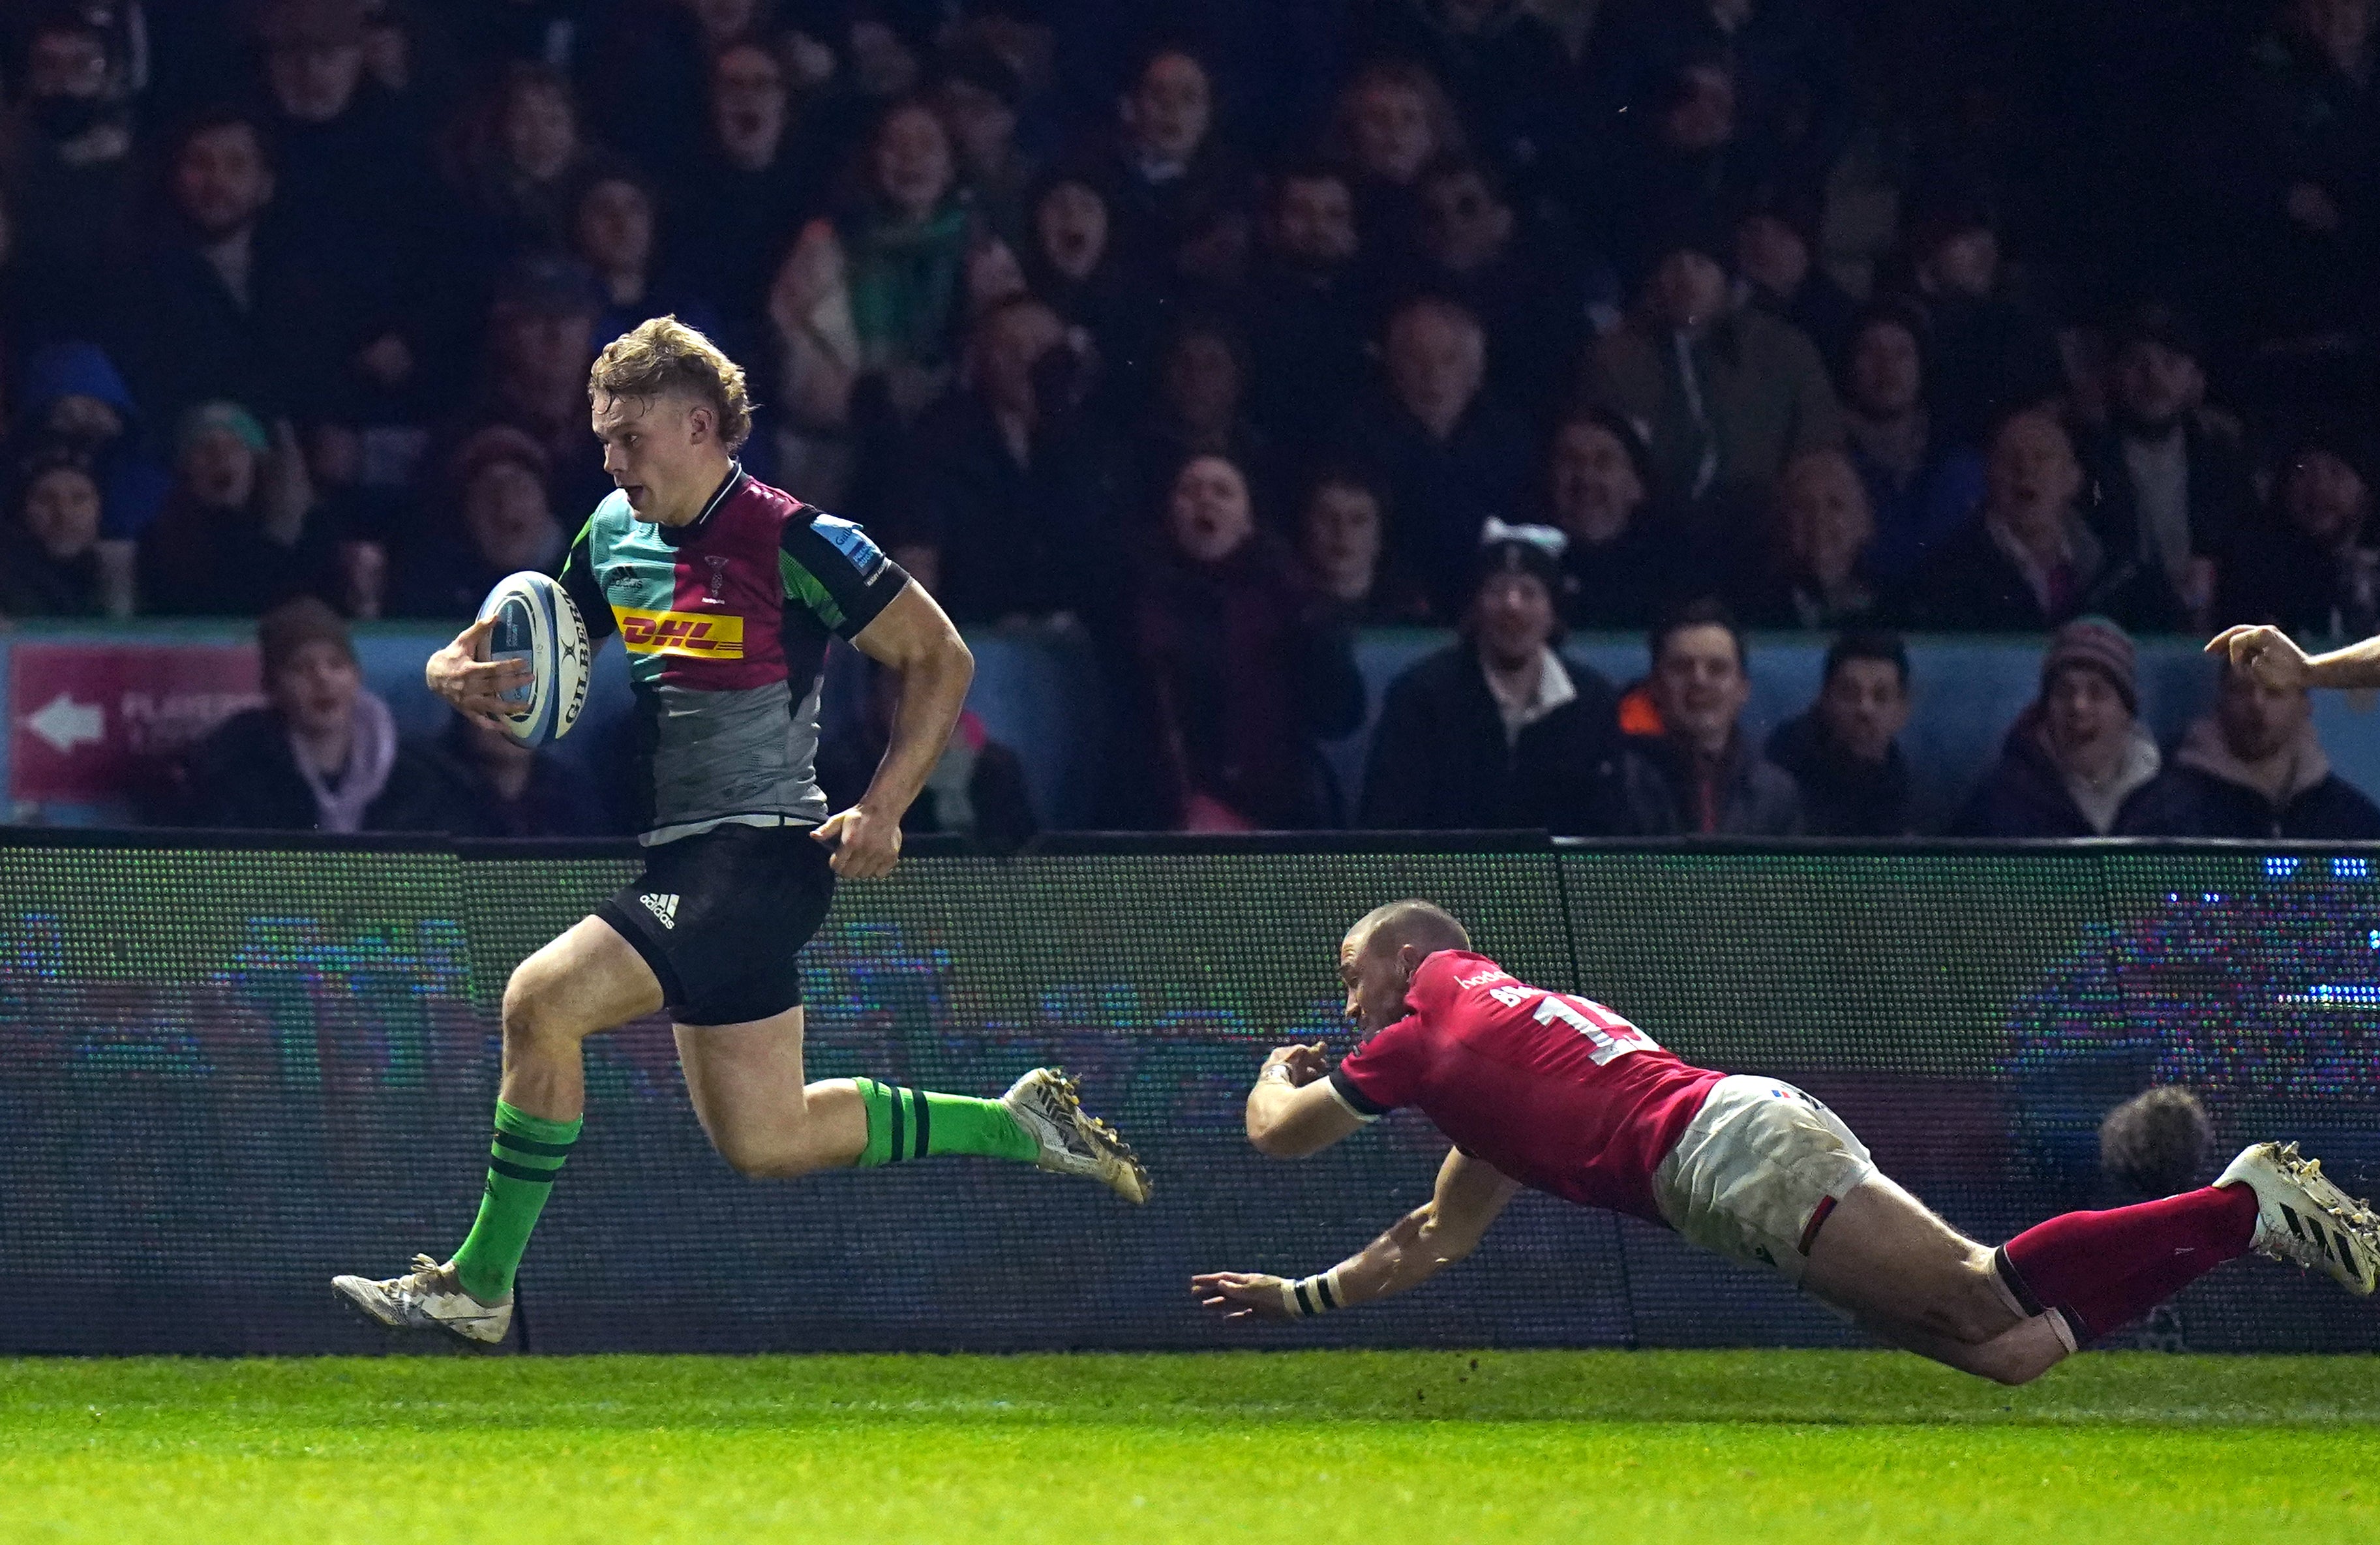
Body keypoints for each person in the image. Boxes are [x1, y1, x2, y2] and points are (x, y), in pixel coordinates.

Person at [332, 317, 1148, 1345]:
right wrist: (455, 671)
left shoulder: (797, 536)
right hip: (686, 856)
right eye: (603, 440)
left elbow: (940, 657)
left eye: (630, 437)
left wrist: (887, 805)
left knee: (540, 1000)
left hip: (763, 854)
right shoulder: (610, 533)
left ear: (703, 425)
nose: (612, 460)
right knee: (768, 1138)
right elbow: (537, 630)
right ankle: (1012, 1121)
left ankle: (477, 1284)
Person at [1192, 899, 2380, 1382]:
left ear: (1406, 957)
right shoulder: (1490, 1052)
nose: (1345, 1004)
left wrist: (1268, 1067)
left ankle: (2241, 1205)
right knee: (2005, 1350)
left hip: (1726, 1153)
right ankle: (2239, 1222)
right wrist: (1299, 1300)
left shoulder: (1426, 1023)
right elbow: (1435, 1232)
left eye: (1349, 977)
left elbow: (1279, 1134)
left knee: (1975, 1288)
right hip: (1731, 1145)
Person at [1126, 453, 1365, 830]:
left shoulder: (1290, 595)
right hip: (1171, 818)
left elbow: (1341, 715)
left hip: (1281, 815)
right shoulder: (1139, 599)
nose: (1206, 501)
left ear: (1248, 521)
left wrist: (1306, 620)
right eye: (1190, 491)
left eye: (1222, 492)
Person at [1360, 524, 1621, 835]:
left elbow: (1608, 827)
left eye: (1529, 592)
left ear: (1554, 612)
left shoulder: (1592, 700)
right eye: (1497, 591)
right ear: (1475, 608)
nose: (1512, 607)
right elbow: (1388, 822)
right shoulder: (1422, 696)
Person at [1584, 224, 1843, 524]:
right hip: (1646, 526)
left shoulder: (1781, 352)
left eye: (1701, 265)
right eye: (1673, 266)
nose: (1687, 278)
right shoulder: (1616, 357)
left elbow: (1819, 447)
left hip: (1763, 529)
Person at [1334, 293, 1535, 617]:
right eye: (1417, 359)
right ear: (1392, 366)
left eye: (1450, 359)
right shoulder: (1357, 440)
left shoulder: (1511, 441)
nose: (1433, 375)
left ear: (1476, 370)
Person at [1900, 408, 2177, 633]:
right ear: (1988, 477)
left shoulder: (2122, 570)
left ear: (2073, 479)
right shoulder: (1946, 579)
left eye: (2042, 458)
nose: (2026, 470)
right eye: (2010, 459)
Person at [2081, 307, 2255, 635]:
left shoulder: (2222, 465)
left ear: (2195, 379)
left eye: (2171, 363)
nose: (2154, 379)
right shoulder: (2087, 461)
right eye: (2137, 363)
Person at [1952, 618, 2195, 837]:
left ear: (2126, 712)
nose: (2078, 706)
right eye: (2064, 692)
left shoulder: (2170, 805)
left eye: (2097, 693)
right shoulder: (2001, 802)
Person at [184, 597, 400, 831]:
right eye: (300, 668)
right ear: (273, 688)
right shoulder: (235, 773)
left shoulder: (411, 777)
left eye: (336, 665)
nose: (322, 679)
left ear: (357, 676)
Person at [1614, 599, 1803, 835]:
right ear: (1655, 687)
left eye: (1717, 669)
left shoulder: (1776, 794)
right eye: (1682, 668)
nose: (1700, 681)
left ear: (1743, 689)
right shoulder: (1618, 783)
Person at [815, 659, 1037, 851]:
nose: (917, 700)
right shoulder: (841, 768)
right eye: (900, 685)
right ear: (875, 692)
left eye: (931, 686)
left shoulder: (995, 766)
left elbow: (1023, 849)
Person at [1837, 304, 1985, 586]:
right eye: (1870, 352)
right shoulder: (1831, 463)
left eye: (1902, 353)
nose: (1886, 366)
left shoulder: (1957, 465)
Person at [2167, 660, 2380, 839]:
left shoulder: (2353, 820)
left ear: (2304, 704)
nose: (2257, 704)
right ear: (2220, 700)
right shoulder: (2169, 812)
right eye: (2242, 690)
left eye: (2275, 691)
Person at [2218, 427, 2379, 642]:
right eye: (2303, 471)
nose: (2319, 489)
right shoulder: (2254, 571)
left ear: (2365, 491)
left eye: (2335, 472)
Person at [1544, 406, 1685, 631]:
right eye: (1571, 461)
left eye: (1603, 462)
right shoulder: (1532, 570)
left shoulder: (1674, 576)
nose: (1586, 478)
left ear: (1637, 486)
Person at [1764, 631, 1916, 837]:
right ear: (1824, 700)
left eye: (1881, 697)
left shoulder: (1899, 777)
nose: (1865, 709)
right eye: (1850, 694)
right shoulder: (1782, 768)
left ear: (1903, 711)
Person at [371, 710, 610, 838]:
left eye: (525, 707)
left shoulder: (570, 791)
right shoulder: (417, 783)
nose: (509, 720)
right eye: (494, 706)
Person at [1735, 447, 1882, 629]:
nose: (1818, 520)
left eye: (1835, 505)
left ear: (1864, 522)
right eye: (1803, 506)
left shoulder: (1896, 610)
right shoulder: (1750, 611)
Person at [0, 444, 111, 616]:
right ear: (22, 511)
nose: (63, 514)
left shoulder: (121, 576)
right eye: (46, 499)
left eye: (79, 499)